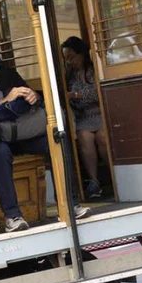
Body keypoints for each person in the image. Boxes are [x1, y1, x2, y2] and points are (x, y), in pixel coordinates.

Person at [0, 25, 91, 222]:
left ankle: (69, 204)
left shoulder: (8, 73)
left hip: (20, 132)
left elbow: (31, 97)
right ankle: (13, 216)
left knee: (57, 139)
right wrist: (5, 99)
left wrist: (32, 95)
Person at [61, 37, 108, 199]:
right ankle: (94, 181)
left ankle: (112, 175)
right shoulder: (70, 75)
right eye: (66, 59)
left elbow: (97, 93)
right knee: (83, 136)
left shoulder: (94, 69)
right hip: (84, 117)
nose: (70, 62)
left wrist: (75, 95)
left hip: (101, 113)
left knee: (102, 137)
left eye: (72, 57)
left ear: (82, 54)